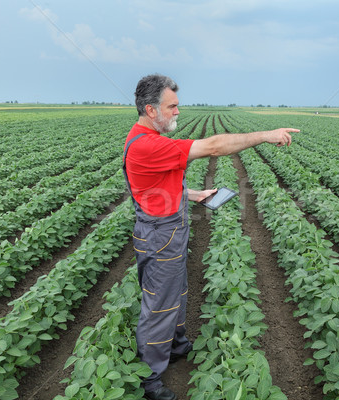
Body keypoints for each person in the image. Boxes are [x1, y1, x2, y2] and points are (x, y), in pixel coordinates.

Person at [122, 74, 299, 400]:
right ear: (150, 109)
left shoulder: (144, 139)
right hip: (161, 234)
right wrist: (266, 135)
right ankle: (150, 380)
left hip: (167, 229)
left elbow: (153, 186)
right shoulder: (149, 144)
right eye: (171, 106)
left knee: (176, 292)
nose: (178, 111)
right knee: (159, 306)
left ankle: (175, 346)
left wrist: (195, 194)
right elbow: (215, 146)